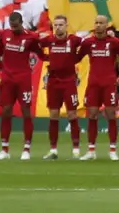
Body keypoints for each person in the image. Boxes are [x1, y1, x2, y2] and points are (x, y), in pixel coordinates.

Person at [37, 15, 84, 159]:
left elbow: (86, 45)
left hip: (69, 81)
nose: (58, 27)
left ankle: (76, 149)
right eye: (55, 25)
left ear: (66, 25)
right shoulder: (48, 40)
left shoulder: (74, 40)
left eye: (60, 25)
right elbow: (35, 44)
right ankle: (53, 150)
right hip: (53, 82)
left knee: (72, 114)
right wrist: (44, 58)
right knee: (53, 115)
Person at [0, 11, 40, 160]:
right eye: (11, 26)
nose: (13, 29)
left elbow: (40, 53)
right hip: (7, 79)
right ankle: (4, 149)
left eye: (16, 26)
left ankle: (26, 148)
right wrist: (2, 67)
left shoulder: (31, 37)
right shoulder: (4, 35)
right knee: (6, 111)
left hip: (23, 80)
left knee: (26, 111)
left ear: (21, 23)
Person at [80, 18, 119, 160]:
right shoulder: (88, 42)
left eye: (101, 23)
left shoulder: (115, 43)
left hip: (108, 84)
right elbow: (76, 57)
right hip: (93, 83)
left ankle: (113, 150)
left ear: (107, 25)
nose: (98, 25)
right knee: (92, 115)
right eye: (96, 23)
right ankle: (91, 150)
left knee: (111, 114)